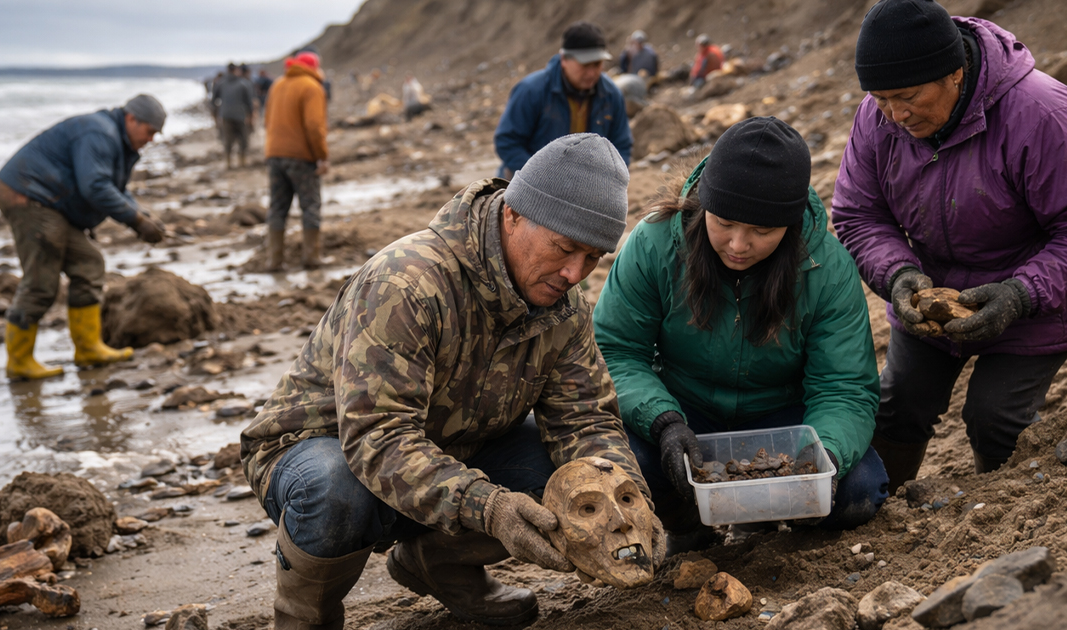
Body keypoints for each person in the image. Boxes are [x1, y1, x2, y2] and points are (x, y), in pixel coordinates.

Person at [240, 134, 664, 629]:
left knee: (588, 472)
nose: (575, 273)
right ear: (513, 215)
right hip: (325, 449)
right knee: (335, 490)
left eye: (592, 257)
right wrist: (491, 508)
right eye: (565, 248)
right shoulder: (406, 284)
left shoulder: (564, 307)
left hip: (458, 451)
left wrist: (625, 495)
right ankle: (302, 621)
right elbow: (378, 439)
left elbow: (585, 420)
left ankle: (438, 565)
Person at [832, 0, 1067, 493]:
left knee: (995, 417)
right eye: (880, 98)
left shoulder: (1043, 113)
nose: (895, 114)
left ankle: (998, 521)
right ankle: (877, 511)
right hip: (936, 290)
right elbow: (860, 214)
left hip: (1039, 296)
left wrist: (1019, 295)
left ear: (954, 73)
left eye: (906, 96)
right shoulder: (879, 117)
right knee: (899, 404)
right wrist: (899, 276)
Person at [594, 118, 886, 551]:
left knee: (857, 489)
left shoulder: (827, 267)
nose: (737, 244)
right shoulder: (654, 243)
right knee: (625, 466)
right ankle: (688, 523)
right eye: (724, 222)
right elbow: (615, 351)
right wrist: (665, 423)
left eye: (762, 231)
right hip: (684, 412)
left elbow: (844, 387)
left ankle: (765, 518)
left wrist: (814, 460)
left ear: (787, 226)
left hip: (782, 421)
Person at [0, 95, 167, 380]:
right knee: (41, 281)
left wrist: (143, 216)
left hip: (51, 202)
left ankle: (88, 348)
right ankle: (19, 361)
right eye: (149, 132)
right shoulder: (99, 133)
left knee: (88, 263)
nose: (150, 140)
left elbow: (113, 186)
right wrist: (136, 222)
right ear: (131, 118)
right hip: (29, 196)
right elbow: (96, 187)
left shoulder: (113, 137)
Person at [494, 21, 632, 179]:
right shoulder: (531, 91)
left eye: (597, 64)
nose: (592, 73)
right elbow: (507, 142)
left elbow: (621, 146)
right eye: (585, 65)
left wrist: (608, 181)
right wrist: (539, 178)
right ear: (564, 59)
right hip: (528, 182)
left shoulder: (611, 95)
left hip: (583, 185)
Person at [263, 51, 328, 271]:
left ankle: (275, 260)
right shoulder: (311, 87)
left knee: (277, 207)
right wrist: (321, 157)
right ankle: (311, 257)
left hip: (274, 154)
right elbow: (314, 127)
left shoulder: (278, 84)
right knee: (310, 206)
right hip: (301, 157)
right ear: (314, 68)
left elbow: (267, 121)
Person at [213, 62, 256, 169]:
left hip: (225, 115)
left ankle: (228, 162)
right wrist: (251, 116)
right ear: (236, 70)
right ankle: (242, 162)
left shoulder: (220, 83)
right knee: (243, 139)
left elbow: (214, 100)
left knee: (228, 139)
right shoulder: (243, 83)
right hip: (241, 115)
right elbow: (249, 102)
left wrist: (216, 115)